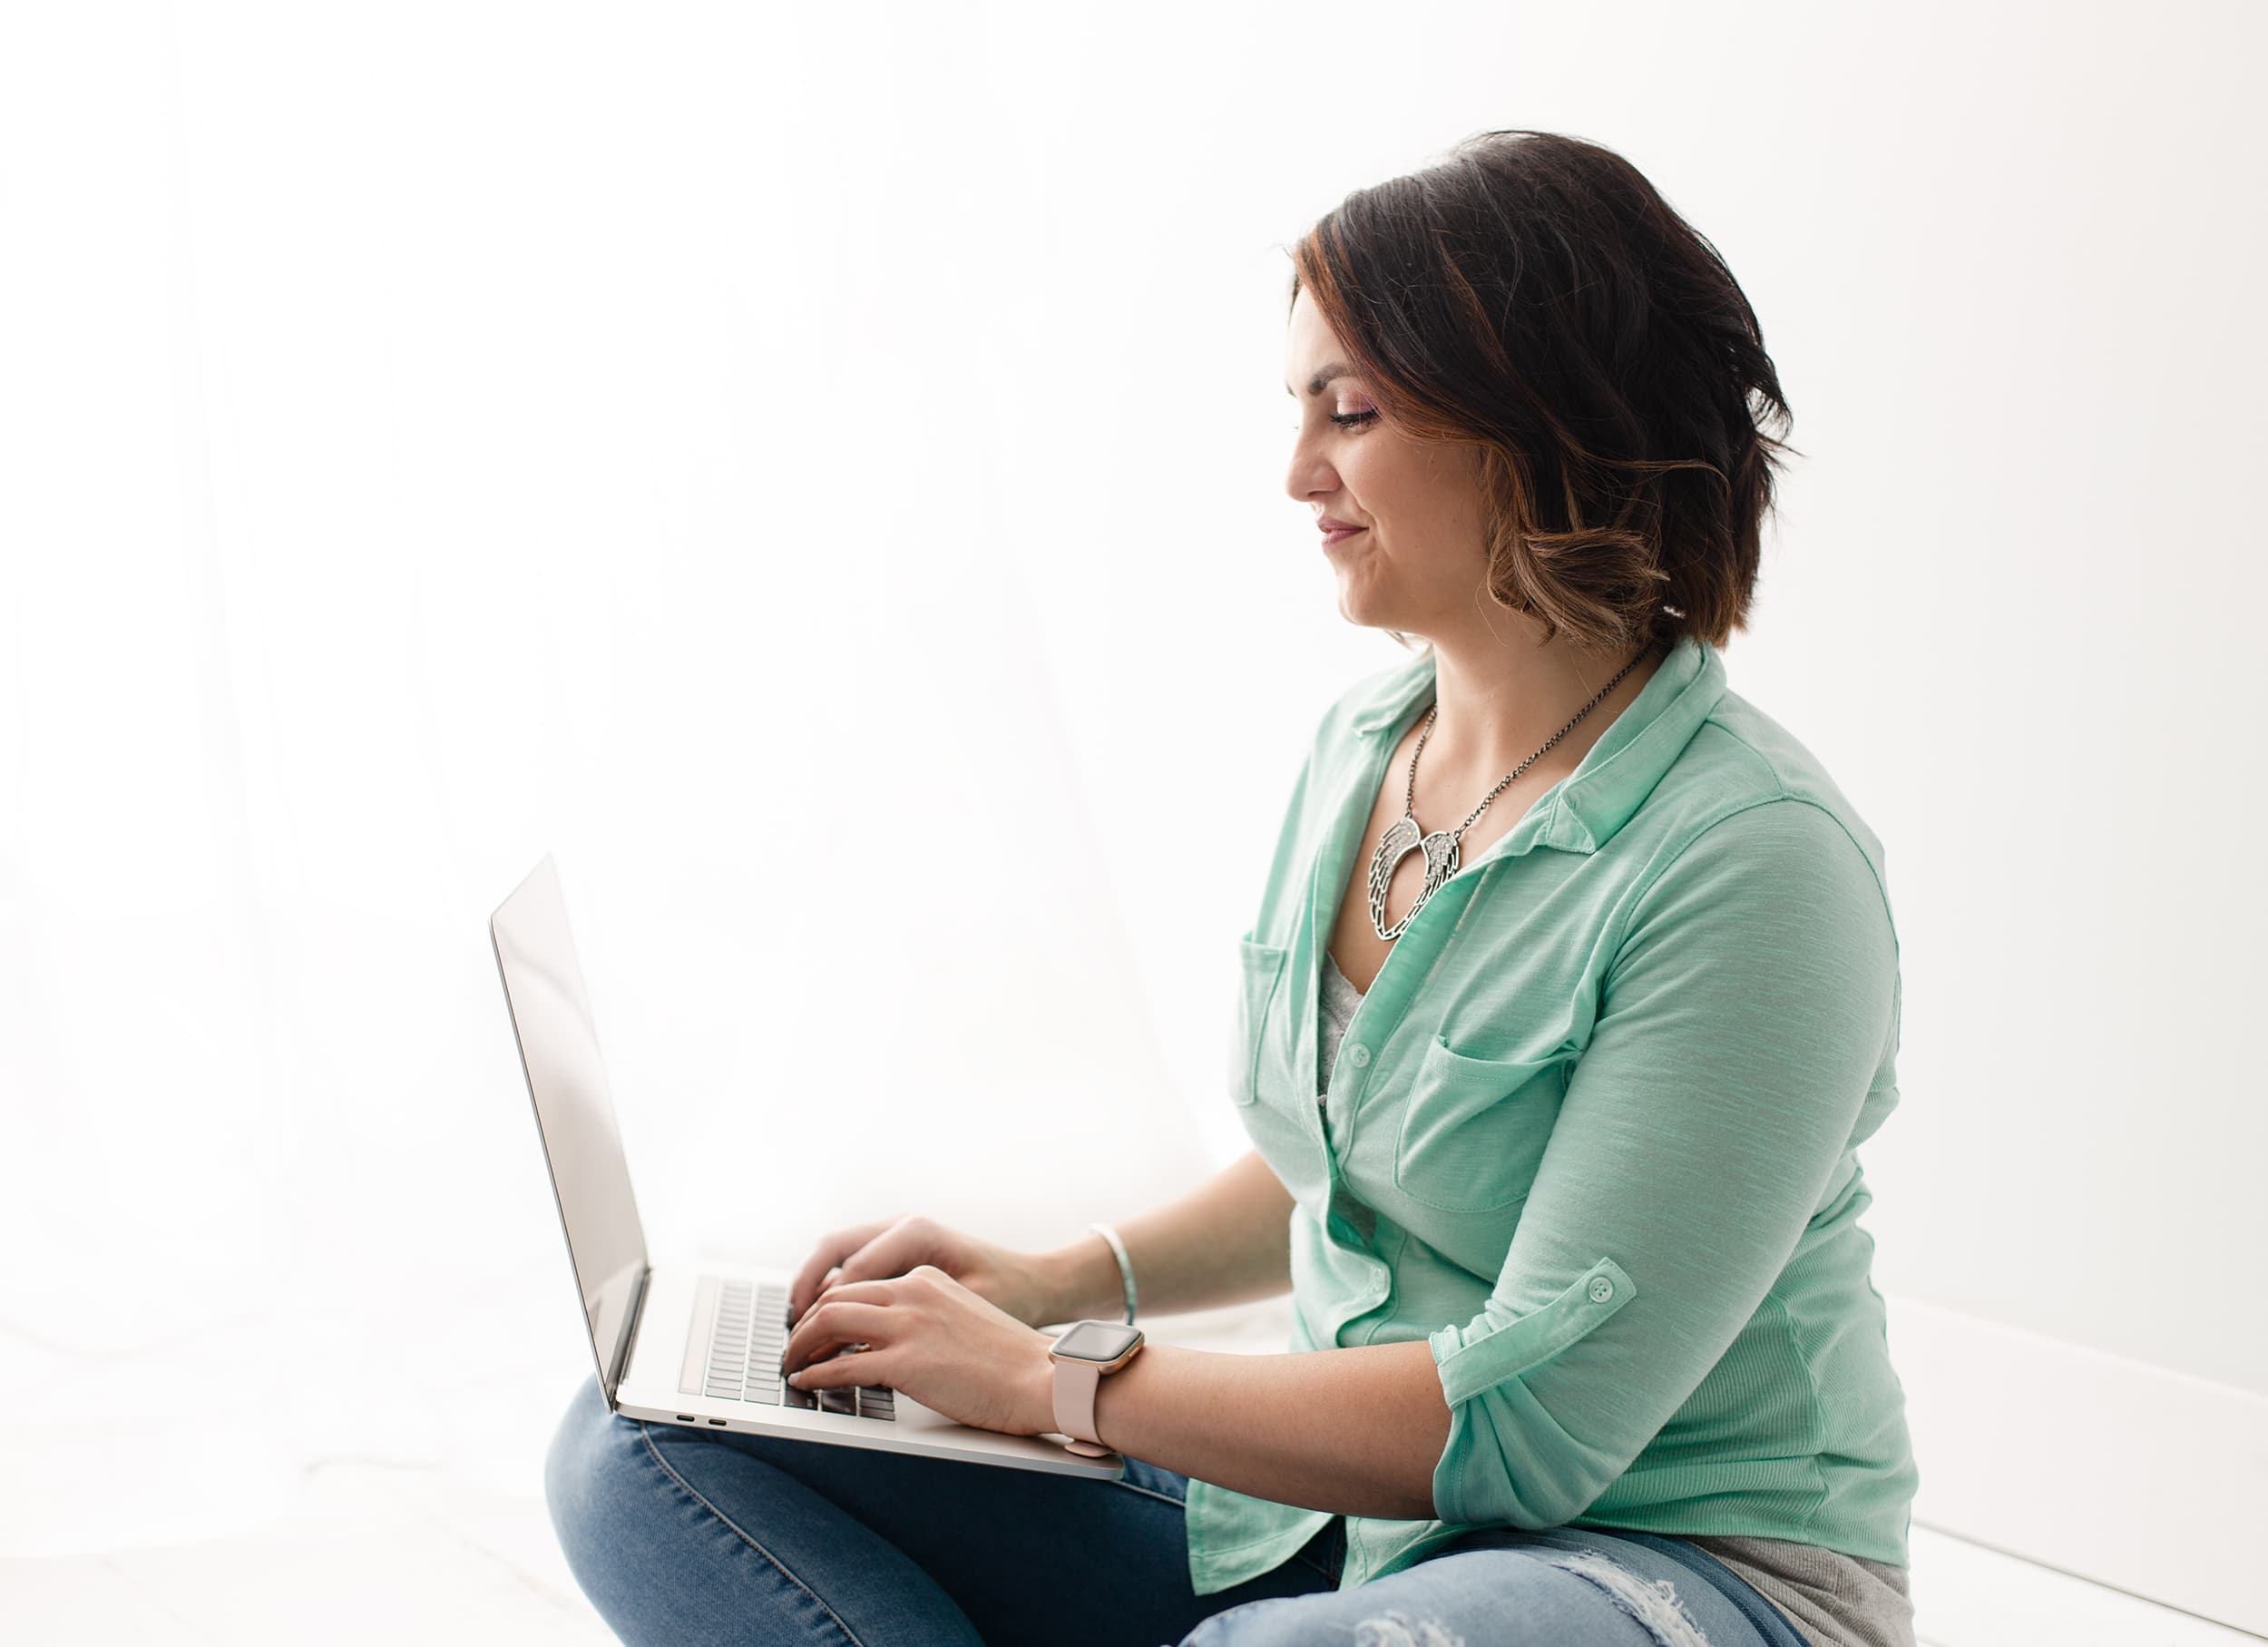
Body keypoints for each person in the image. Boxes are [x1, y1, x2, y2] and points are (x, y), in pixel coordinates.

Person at [543, 128, 1919, 1647]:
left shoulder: (1754, 865)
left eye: (1353, 409)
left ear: (1538, 421)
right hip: (1345, 1529)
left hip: (1677, 1566)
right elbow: (1355, 1170)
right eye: (1296, 408)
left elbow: (1537, 1428)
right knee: (642, 1448)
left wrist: (1055, 1378)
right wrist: (1052, 1282)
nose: (1297, 472)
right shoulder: (1368, 751)